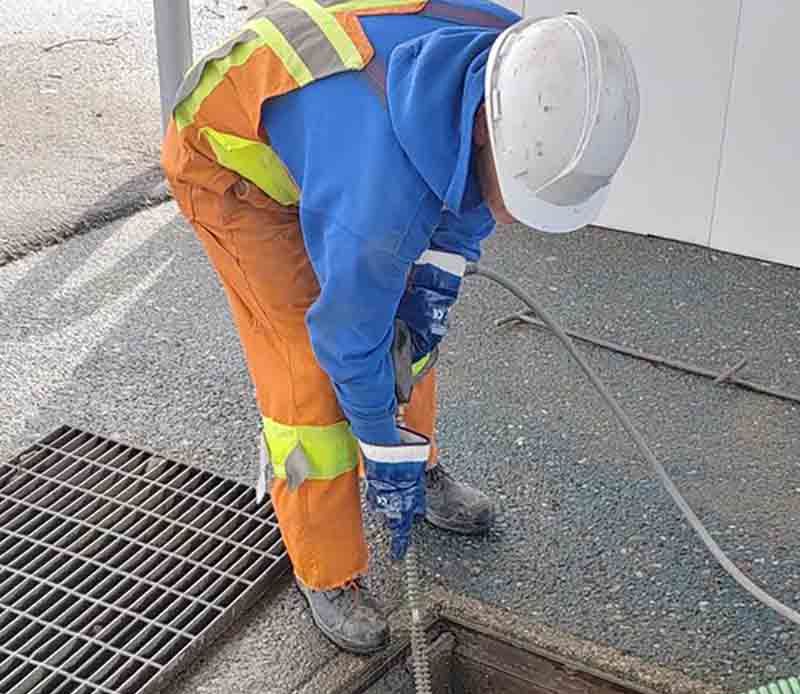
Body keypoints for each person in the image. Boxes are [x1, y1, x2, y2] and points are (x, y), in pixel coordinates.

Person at [162, 1, 639, 654]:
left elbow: (462, 222)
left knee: (409, 340)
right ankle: (324, 566)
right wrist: (379, 446)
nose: (523, 220)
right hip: (230, 166)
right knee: (307, 376)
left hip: (336, 138)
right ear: (484, 130)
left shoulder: (519, 62)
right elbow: (347, 340)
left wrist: (418, 324)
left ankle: (417, 469)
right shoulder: (379, 205)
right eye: (523, 192)